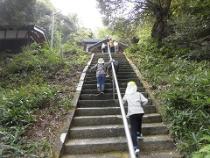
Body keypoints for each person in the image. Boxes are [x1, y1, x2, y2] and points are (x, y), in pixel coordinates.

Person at [122, 81, 148, 156]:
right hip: (140, 112)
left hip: (132, 113)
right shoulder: (139, 94)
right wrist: (141, 104)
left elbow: (123, 102)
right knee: (139, 123)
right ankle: (139, 133)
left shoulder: (127, 95)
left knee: (133, 129)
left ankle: (135, 147)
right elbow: (146, 101)